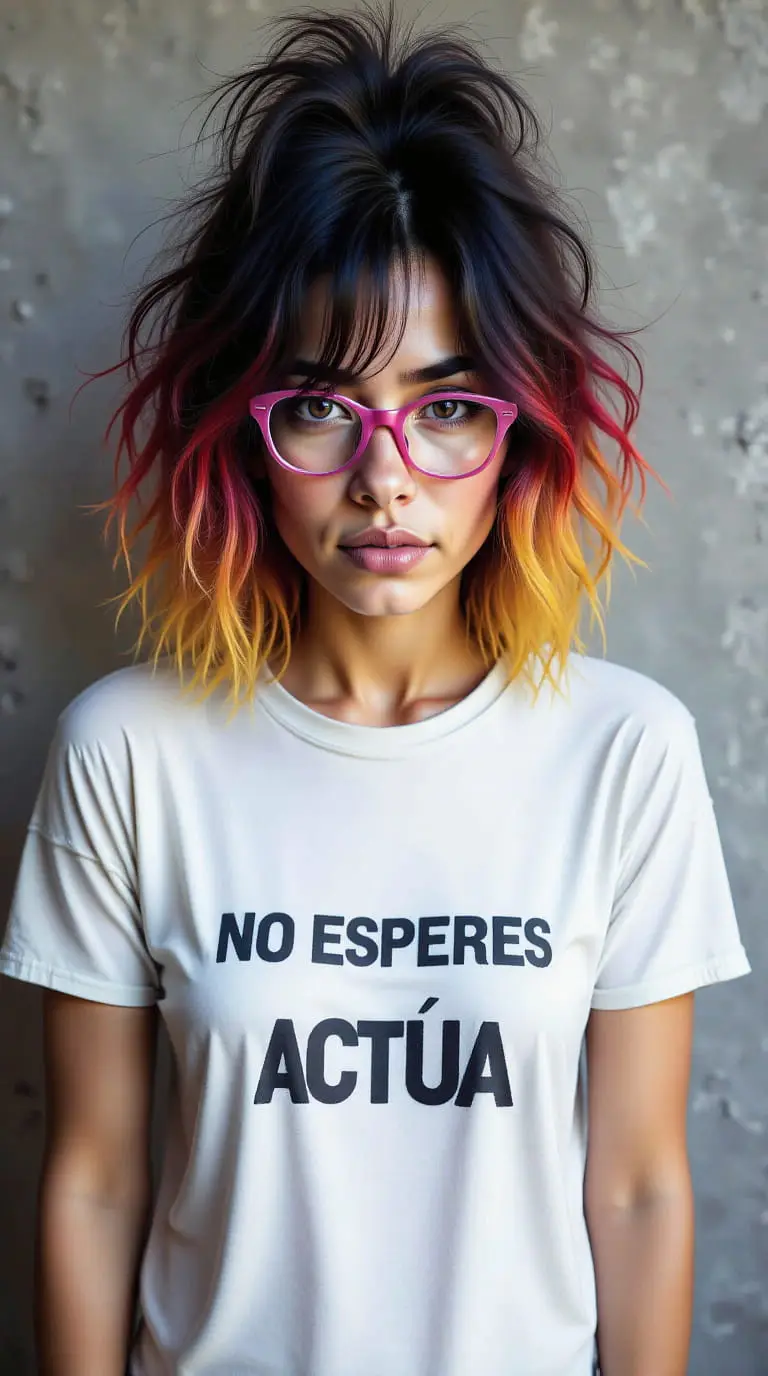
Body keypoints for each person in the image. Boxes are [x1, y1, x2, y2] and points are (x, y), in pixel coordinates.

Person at [0, 6, 751, 1375]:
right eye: (321, 406)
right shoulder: (128, 755)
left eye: (448, 406)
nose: (386, 475)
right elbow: (95, 1183)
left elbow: (637, 1191)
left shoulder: (623, 751)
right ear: (244, 429)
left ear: (521, 434)